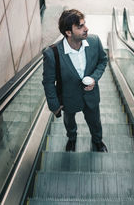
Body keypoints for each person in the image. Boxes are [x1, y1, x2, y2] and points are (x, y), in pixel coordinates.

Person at [42, 9, 108, 152]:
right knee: (69, 121)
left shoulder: (94, 41)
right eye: (80, 27)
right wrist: (54, 104)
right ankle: (72, 139)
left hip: (91, 96)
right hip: (68, 98)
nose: (86, 29)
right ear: (68, 32)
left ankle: (97, 141)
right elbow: (48, 82)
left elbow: (103, 61)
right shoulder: (52, 54)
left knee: (95, 122)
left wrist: (94, 78)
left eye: (84, 24)